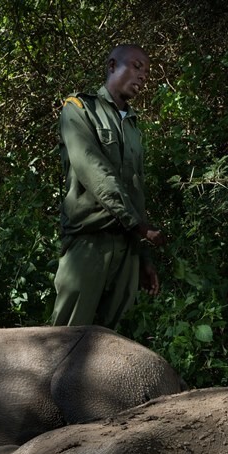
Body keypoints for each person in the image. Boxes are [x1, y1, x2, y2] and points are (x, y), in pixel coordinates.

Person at [50, 43, 167, 329]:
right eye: (137, 67)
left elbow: (136, 192)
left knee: (112, 347)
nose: (143, 77)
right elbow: (93, 169)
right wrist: (140, 226)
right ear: (113, 65)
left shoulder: (133, 125)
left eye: (147, 73)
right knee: (66, 340)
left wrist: (142, 256)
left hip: (127, 248)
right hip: (89, 242)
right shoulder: (79, 109)